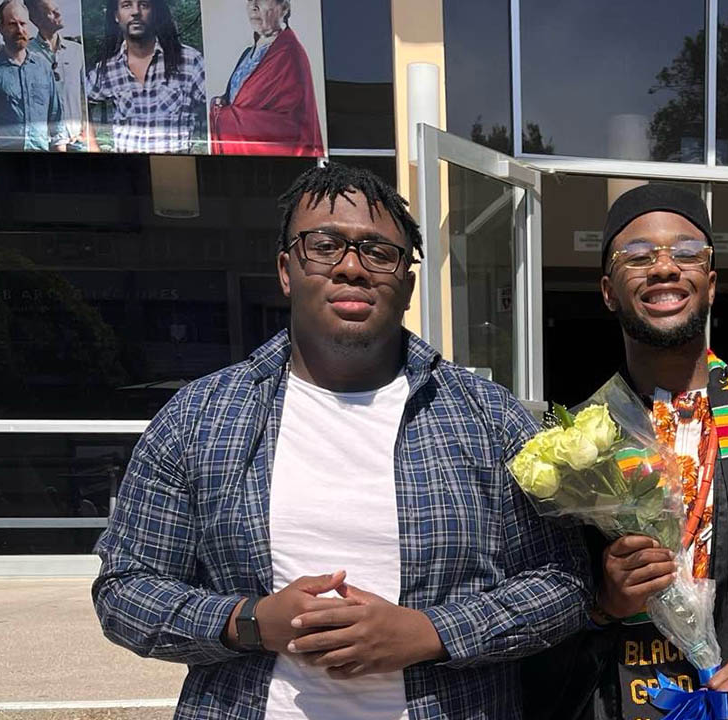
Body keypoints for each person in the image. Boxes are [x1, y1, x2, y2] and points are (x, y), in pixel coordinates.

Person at [93, 162, 590, 719]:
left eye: (379, 252)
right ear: (286, 270)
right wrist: (251, 622)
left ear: (407, 281)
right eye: (325, 245)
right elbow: (125, 592)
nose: (352, 267)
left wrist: (431, 632)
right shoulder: (200, 419)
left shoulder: (488, 419)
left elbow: (565, 584)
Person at [524, 184, 728, 720]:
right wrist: (602, 605)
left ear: (712, 282)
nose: (663, 268)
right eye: (637, 255)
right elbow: (532, 603)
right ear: (608, 290)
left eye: (685, 253)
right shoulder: (569, 449)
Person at [85, 0, 205, 153]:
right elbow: (80, 102)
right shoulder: (108, 69)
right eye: (127, 5)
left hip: (176, 169)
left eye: (144, 5)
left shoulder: (189, 61)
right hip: (126, 171)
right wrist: (93, 146)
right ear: (116, 16)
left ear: (154, 13)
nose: (136, 12)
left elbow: (219, 104)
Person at [209, 0, 323, 156]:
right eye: (250, 0)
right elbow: (239, 98)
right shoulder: (248, 53)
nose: (253, 6)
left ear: (284, 8)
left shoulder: (289, 55)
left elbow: (291, 128)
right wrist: (222, 102)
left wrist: (225, 117)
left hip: (274, 166)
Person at [0, 0, 66, 151]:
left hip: (40, 164)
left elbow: (57, 123)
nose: (19, 30)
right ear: (0, 27)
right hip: (5, 163)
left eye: (23, 24)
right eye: (12, 24)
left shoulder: (43, 69)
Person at [24, 0, 87, 150]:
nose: (59, 14)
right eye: (51, 12)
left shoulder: (77, 51)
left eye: (57, 9)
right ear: (35, 19)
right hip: (42, 145)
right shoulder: (25, 54)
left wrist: (85, 131)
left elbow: (87, 97)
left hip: (77, 142)